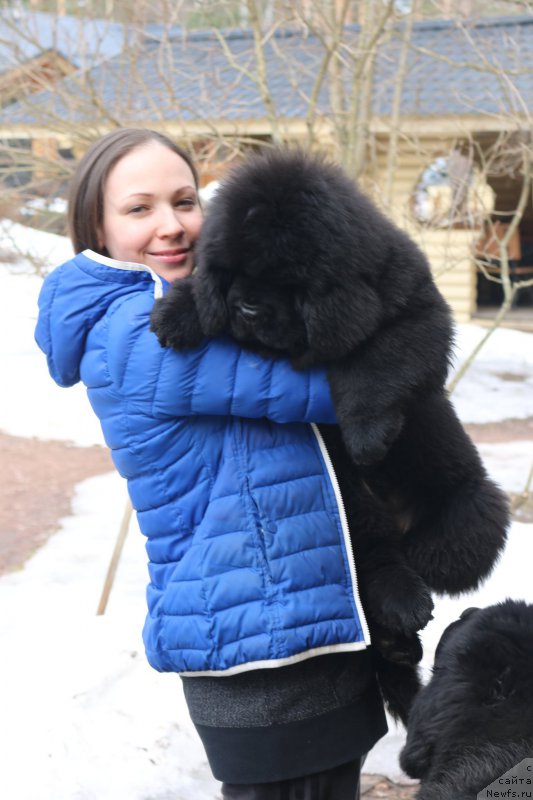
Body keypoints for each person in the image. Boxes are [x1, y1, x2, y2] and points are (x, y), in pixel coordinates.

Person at [35, 128, 387, 799]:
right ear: (97, 227)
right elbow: (338, 388)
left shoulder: (193, 307)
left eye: (185, 201)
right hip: (259, 643)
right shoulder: (137, 332)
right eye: (139, 209)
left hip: (294, 620)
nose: (171, 226)